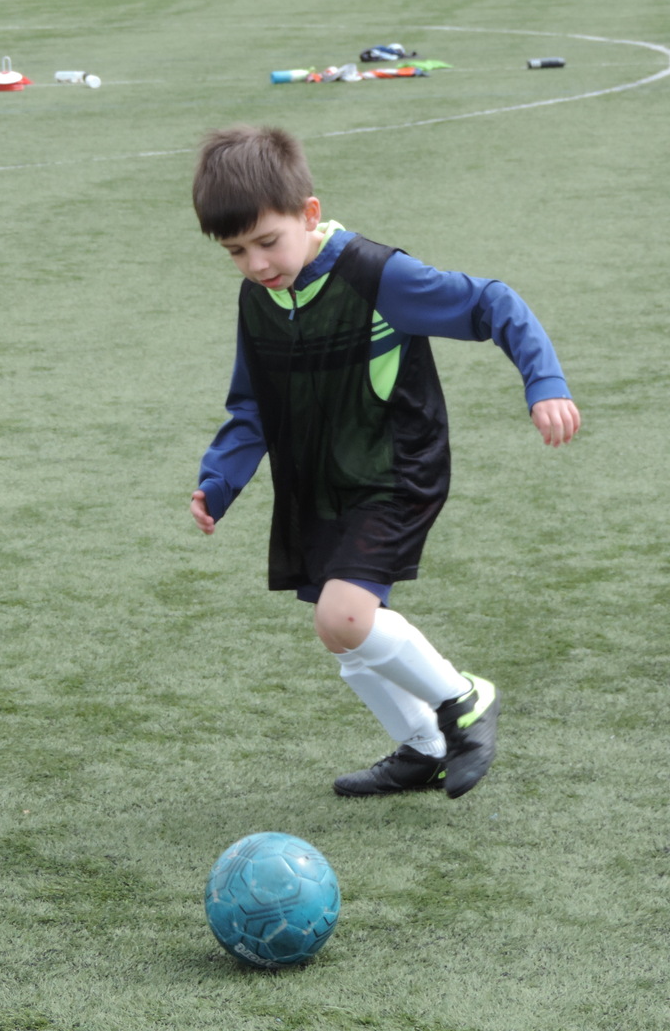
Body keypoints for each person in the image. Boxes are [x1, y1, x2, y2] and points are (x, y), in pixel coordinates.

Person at [188, 126, 581, 799]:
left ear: (309, 214)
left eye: (268, 242)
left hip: (394, 471)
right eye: (236, 251)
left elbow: (493, 302)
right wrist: (219, 479)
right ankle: (423, 749)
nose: (255, 264)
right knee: (341, 631)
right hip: (321, 483)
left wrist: (544, 383)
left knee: (344, 615)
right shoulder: (260, 299)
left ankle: (465, 701)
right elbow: (253, 404)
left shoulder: (376, 276)